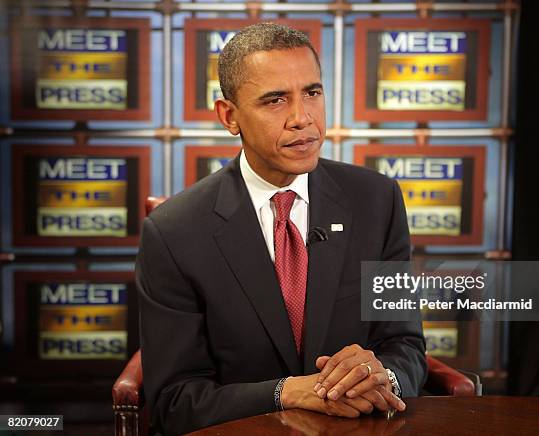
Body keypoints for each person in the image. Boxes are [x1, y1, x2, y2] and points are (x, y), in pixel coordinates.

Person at [137, 22, 426, 436]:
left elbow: (406, 346)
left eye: (312, 92)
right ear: (229, 116)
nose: (302, 118)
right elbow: (176, 401)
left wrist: (382, 378)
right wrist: (285, 392)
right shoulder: (173, 232)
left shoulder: (376, 200)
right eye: (275, 100)